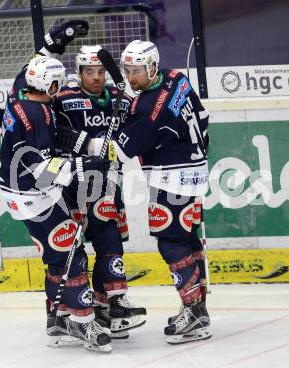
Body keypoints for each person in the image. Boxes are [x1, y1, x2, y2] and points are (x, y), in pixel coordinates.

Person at [0, 22, 118, 353]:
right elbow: (40, 170)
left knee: (57, 257)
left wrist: (56, 42)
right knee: (71, 255)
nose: (60, 87)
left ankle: (57, 318)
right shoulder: (41, 115)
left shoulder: (18, 95)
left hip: (18, 193)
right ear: (49, 84)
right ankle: (82, 320)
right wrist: (82, 166)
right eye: (57, 82)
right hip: (33, 195)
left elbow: (31, 69)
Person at [57, 40, 211, 345]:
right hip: (195, 169)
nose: (130, 77)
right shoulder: (175, 78)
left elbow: (117, 150)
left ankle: (195, 312)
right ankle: (197, 306)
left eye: (137, 70)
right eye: (127, 70)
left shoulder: (149, 108)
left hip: (173, 178)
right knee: (189, 238)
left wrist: (77, 140)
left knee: (171, 243)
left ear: (152, 66)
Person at [52, 44, 146, 339]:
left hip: (109, 183)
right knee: (72, 251)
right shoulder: (65, 99)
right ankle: (66, 308)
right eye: (89, 72)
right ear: (78, 72)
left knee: (110, 243)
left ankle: (110, 305)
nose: (95, 77)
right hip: (74, 185)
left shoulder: (116, 98)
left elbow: (135, 127)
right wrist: (86, 144)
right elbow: (50, 132)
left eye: (100, 71)